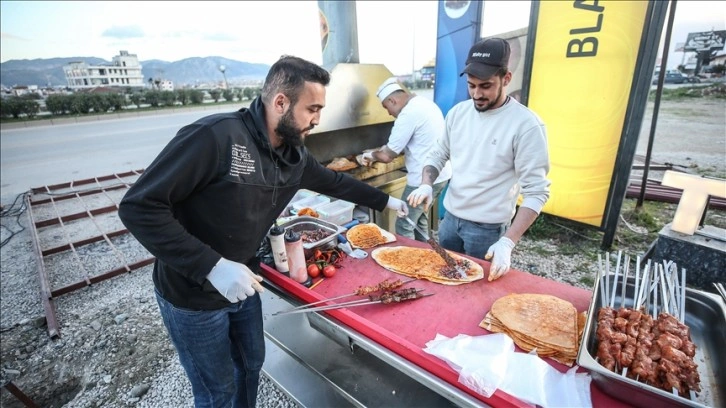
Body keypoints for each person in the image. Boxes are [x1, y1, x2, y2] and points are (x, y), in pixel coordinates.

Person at [118, 55, 408, 407]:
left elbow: (334, 182)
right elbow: (138, 206)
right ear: (281, 102)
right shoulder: (216, 137)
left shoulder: (294, 155)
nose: (318, 120)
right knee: (216, 391)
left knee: (251, 365)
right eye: (312, 109)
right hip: (192, 295)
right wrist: (211, 265)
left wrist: (386, 201)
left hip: (244, 283)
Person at [408, 38, 550, 282]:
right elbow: (438, 154)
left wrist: (507, 242)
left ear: (506, 78)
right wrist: (426, 184)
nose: (476, 94)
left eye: (485, 86)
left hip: (488, 229)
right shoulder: (458, 113)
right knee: (446, 278)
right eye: (471, 85)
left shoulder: (526, 125)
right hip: (450, 221)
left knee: (480, 291)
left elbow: (537, 192)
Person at [358, 77, 451, 241]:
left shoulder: (408, 114)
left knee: (404, 225)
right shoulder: (424, 103)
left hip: (421, 180)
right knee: (420, 220)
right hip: (441, 174)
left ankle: (410, 261)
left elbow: (387, 156)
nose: (388, 113)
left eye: (387, 107)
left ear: (393, 100)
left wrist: (370, 155)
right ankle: (426, 256)